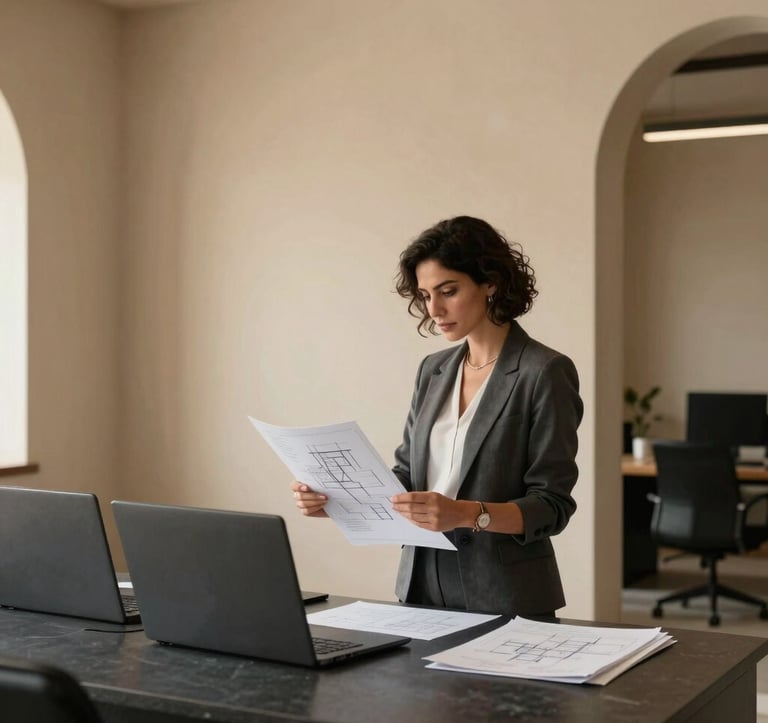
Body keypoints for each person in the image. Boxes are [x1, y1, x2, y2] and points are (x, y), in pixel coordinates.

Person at [291, 216, 583, 616]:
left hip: (506, 594)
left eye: (449, 291)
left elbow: (552, 505)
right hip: (421, 587)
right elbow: (407, 477)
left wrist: (466, 514)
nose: (435, 309)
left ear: (490, 283)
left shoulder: (544, 371)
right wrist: (337, 501)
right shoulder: (434, 370)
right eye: (426, 295)